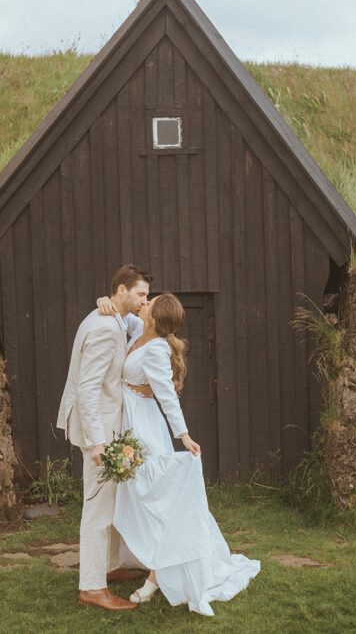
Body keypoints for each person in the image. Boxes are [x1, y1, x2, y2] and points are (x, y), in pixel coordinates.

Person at [97, 292, 261, 616]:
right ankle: (151, 564)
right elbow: (120, 310)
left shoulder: (156, 348)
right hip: (128, 422)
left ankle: (156, 578)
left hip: (144, 430)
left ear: (155, 318)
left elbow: (167, 397)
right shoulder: (138, 328)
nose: (144, 302)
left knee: (157, 506)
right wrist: (105, 300)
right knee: (141, 503)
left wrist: (183, 435)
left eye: (150, 301)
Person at [56, 264, 153, 611]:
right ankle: (93, 587)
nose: (146, 300)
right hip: (99, 431)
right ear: (122, 290)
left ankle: (110, 567)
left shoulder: (114, 319)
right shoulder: (104, 327)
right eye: (141, 294)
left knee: (110, 503)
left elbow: (136, 325)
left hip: (108, 427)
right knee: (97, 508)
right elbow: (88, 388)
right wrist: (98, 441)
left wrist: (107, 301)